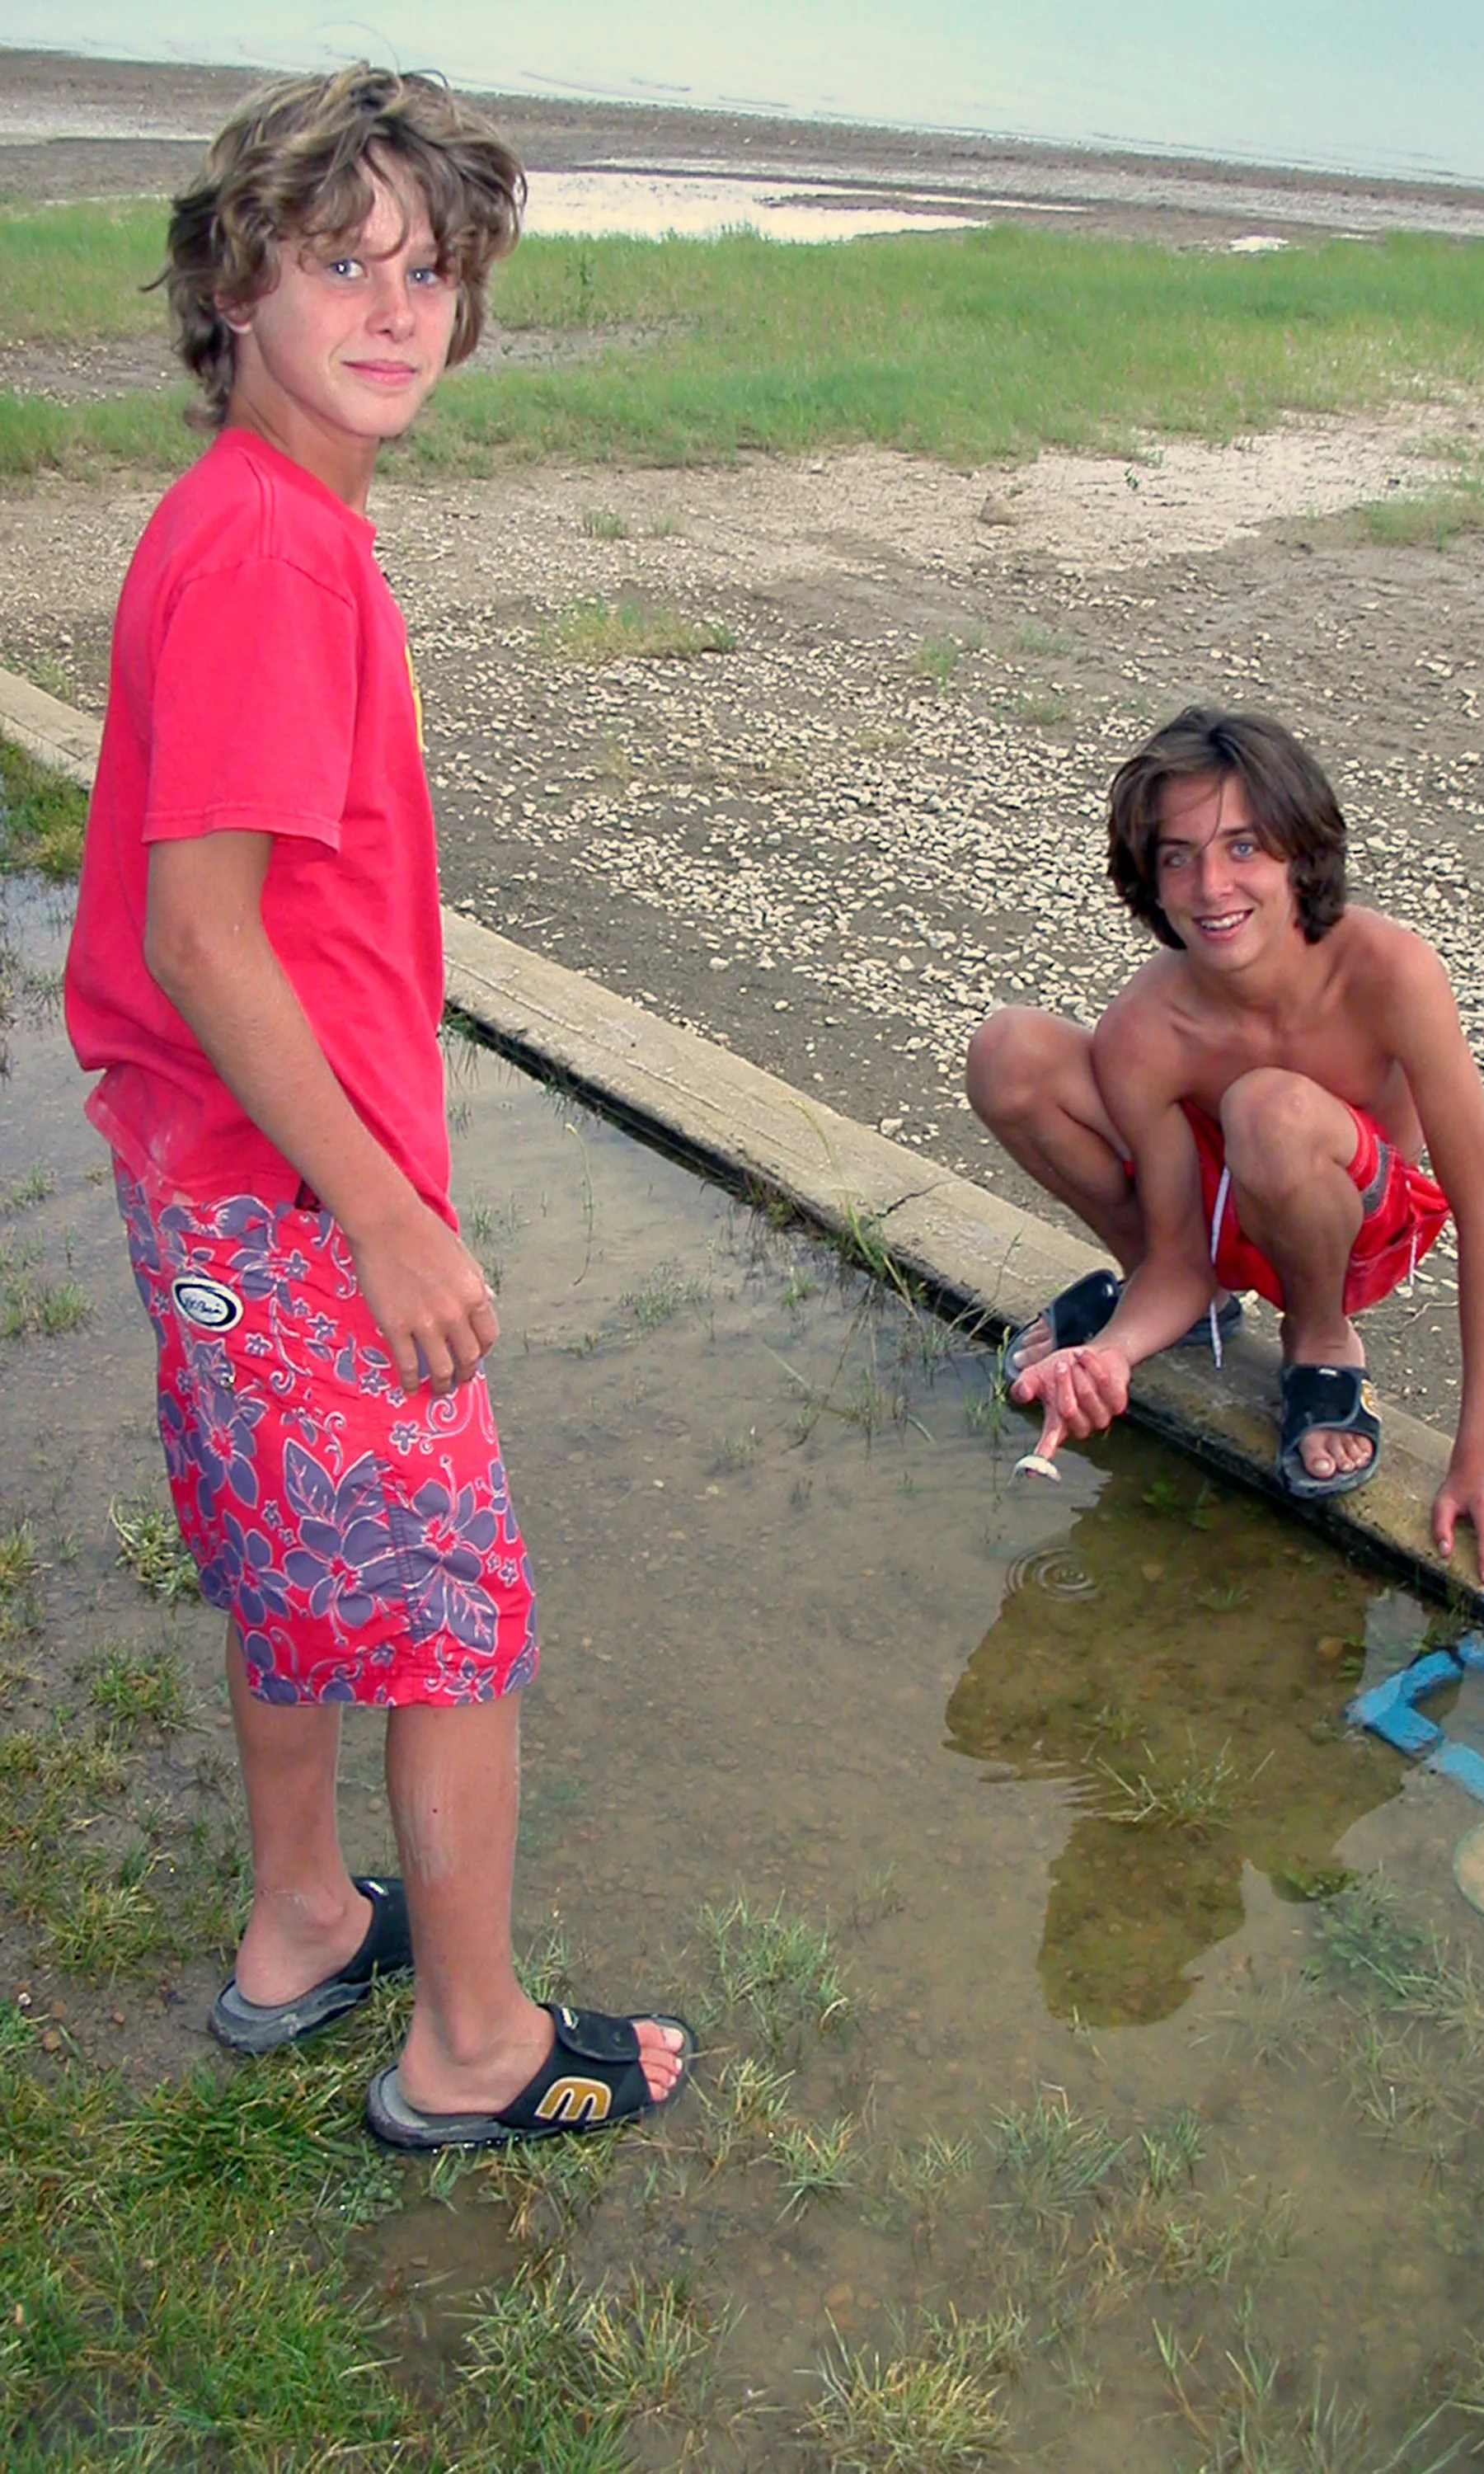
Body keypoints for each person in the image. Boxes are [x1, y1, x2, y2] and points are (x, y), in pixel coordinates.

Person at [64, 64, 690, 2149]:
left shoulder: (252, 518)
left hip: (212, 1179)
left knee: (282, 1559)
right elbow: (205, 932)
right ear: (235, 286)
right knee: (448, 1608)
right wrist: (386, 1210)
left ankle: (301, 1915)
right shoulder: (272, 553)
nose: (396, 307)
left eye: (431, 271)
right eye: (343, 262)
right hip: (296, 1188)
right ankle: (471, 2042)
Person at [965, 703, 1484, 1589]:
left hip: (1347, 1218)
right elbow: (1178, 1252)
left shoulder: (1390, 972)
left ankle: (1319, 1341)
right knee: (1006, 1050)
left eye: (1242, 847)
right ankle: (1169, 1319)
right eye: (1177, 856)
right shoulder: (1146, 1024)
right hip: (1214, 1214)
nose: (1210, 886)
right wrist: (1113, 1355)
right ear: (1149, 880)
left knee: (1268, 1111)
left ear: (1299, 850)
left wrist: (1480, 1458)